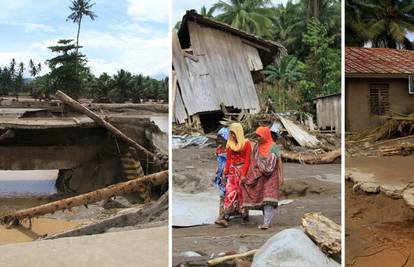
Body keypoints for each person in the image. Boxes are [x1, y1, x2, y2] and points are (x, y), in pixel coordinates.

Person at [241, 126, 284, 230]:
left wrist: (281, 176)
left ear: (265, 135)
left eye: (260, 136)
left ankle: (267, 223)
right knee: (262, 198)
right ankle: (265, 221)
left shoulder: (274, 147)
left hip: (271, 177)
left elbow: (279, 161)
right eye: (257, 136)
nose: (258, 138)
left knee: (268, 198)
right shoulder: (257, 146)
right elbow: (253, 160)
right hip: (259, 176)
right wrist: (249, 174)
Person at [215, 123, 251, 227]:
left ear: (239, 132)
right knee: (229, 192)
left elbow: (248, 159)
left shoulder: (246, 143)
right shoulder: (230, 144)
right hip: (232, 171)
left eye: (234, 133)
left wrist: (244, 174)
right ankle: (225, 217)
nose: (233, 136)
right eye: (231, 133)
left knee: (241, 193)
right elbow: (229, 160)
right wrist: (224, 174)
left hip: (243, 170)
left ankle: (244, 213)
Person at [213, 127, 229, 222]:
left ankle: (225, 214)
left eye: (221, 138)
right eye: (219, 138)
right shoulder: (218, 149)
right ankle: (222, 214)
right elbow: (219, 162)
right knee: (222, 194)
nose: (220, 140)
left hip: (229, 174)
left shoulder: (231, 149)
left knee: (229, 194)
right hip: (221, 174)